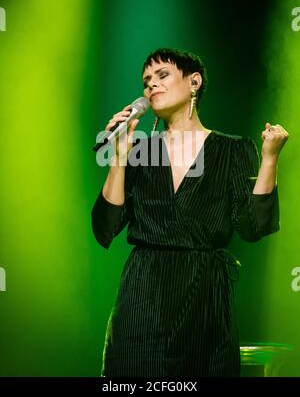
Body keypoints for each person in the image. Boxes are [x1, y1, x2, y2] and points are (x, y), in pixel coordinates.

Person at [91, 48, 288, 377]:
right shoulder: (142, 151)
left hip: (204, 298)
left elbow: (253, 227)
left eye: (162, 75)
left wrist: (270, 159)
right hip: (145, 296)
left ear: (194, 81)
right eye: (146, 81)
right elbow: (104, 228)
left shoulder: (232, 149)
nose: (151, 85)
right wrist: (120, 155)